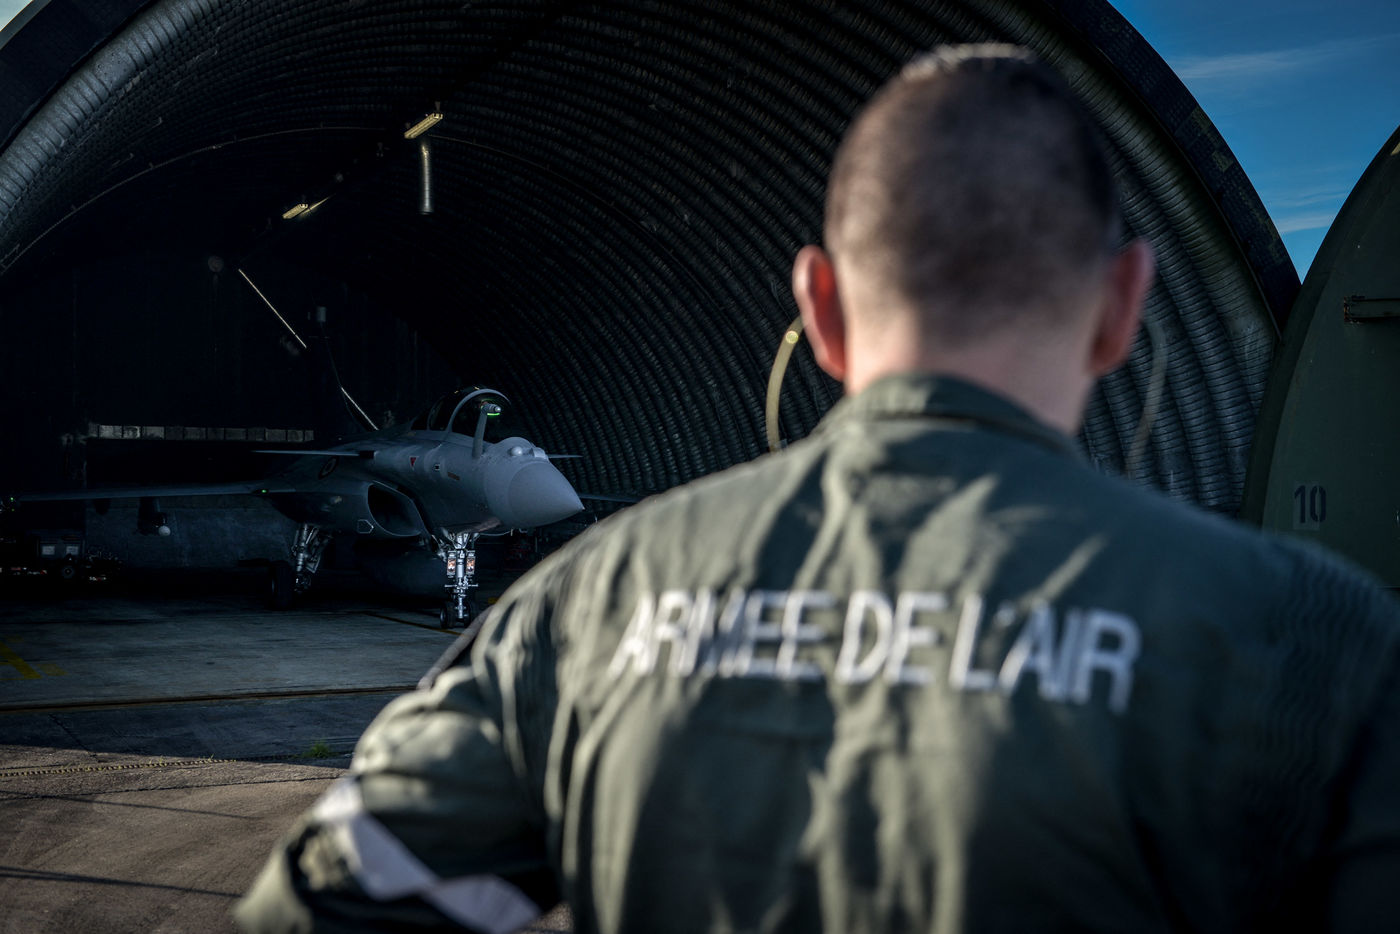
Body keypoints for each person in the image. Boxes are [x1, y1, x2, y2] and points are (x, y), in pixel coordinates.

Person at [237, 45, 1400, 933]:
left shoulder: (584, 611)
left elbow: (322, 903)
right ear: (1124, 305)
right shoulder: (1310, 646)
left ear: (820, 308)